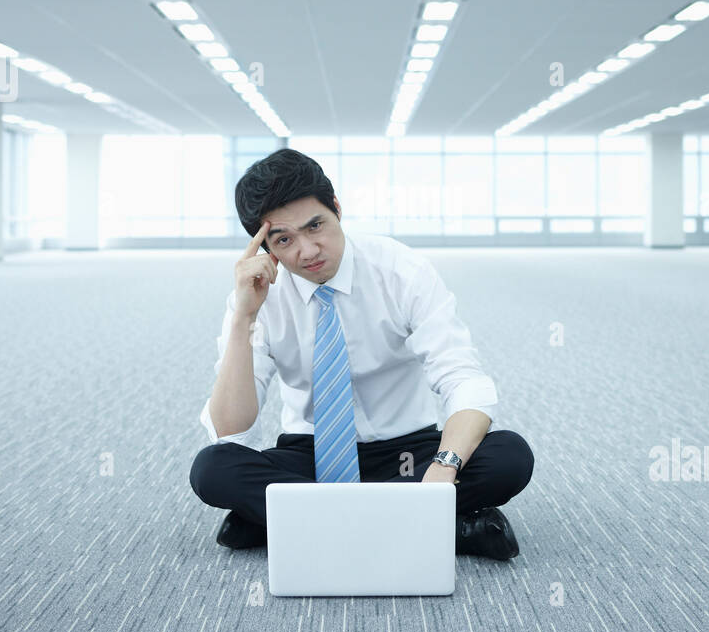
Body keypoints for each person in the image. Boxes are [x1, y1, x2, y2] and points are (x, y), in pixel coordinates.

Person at [189, 148, 534, 560]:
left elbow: (463, 380)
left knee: (509, 456)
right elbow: (231, 430)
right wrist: (244, 316)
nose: (308, 251)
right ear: (265, 248)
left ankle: (293, 522)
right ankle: (447, 527)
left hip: (408, 454)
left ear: (336, 208)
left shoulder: (402, 271)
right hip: (309, 454)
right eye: (284, 240)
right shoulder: (257, 296)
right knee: (213, 468)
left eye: (315, 225)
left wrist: (443, 467)